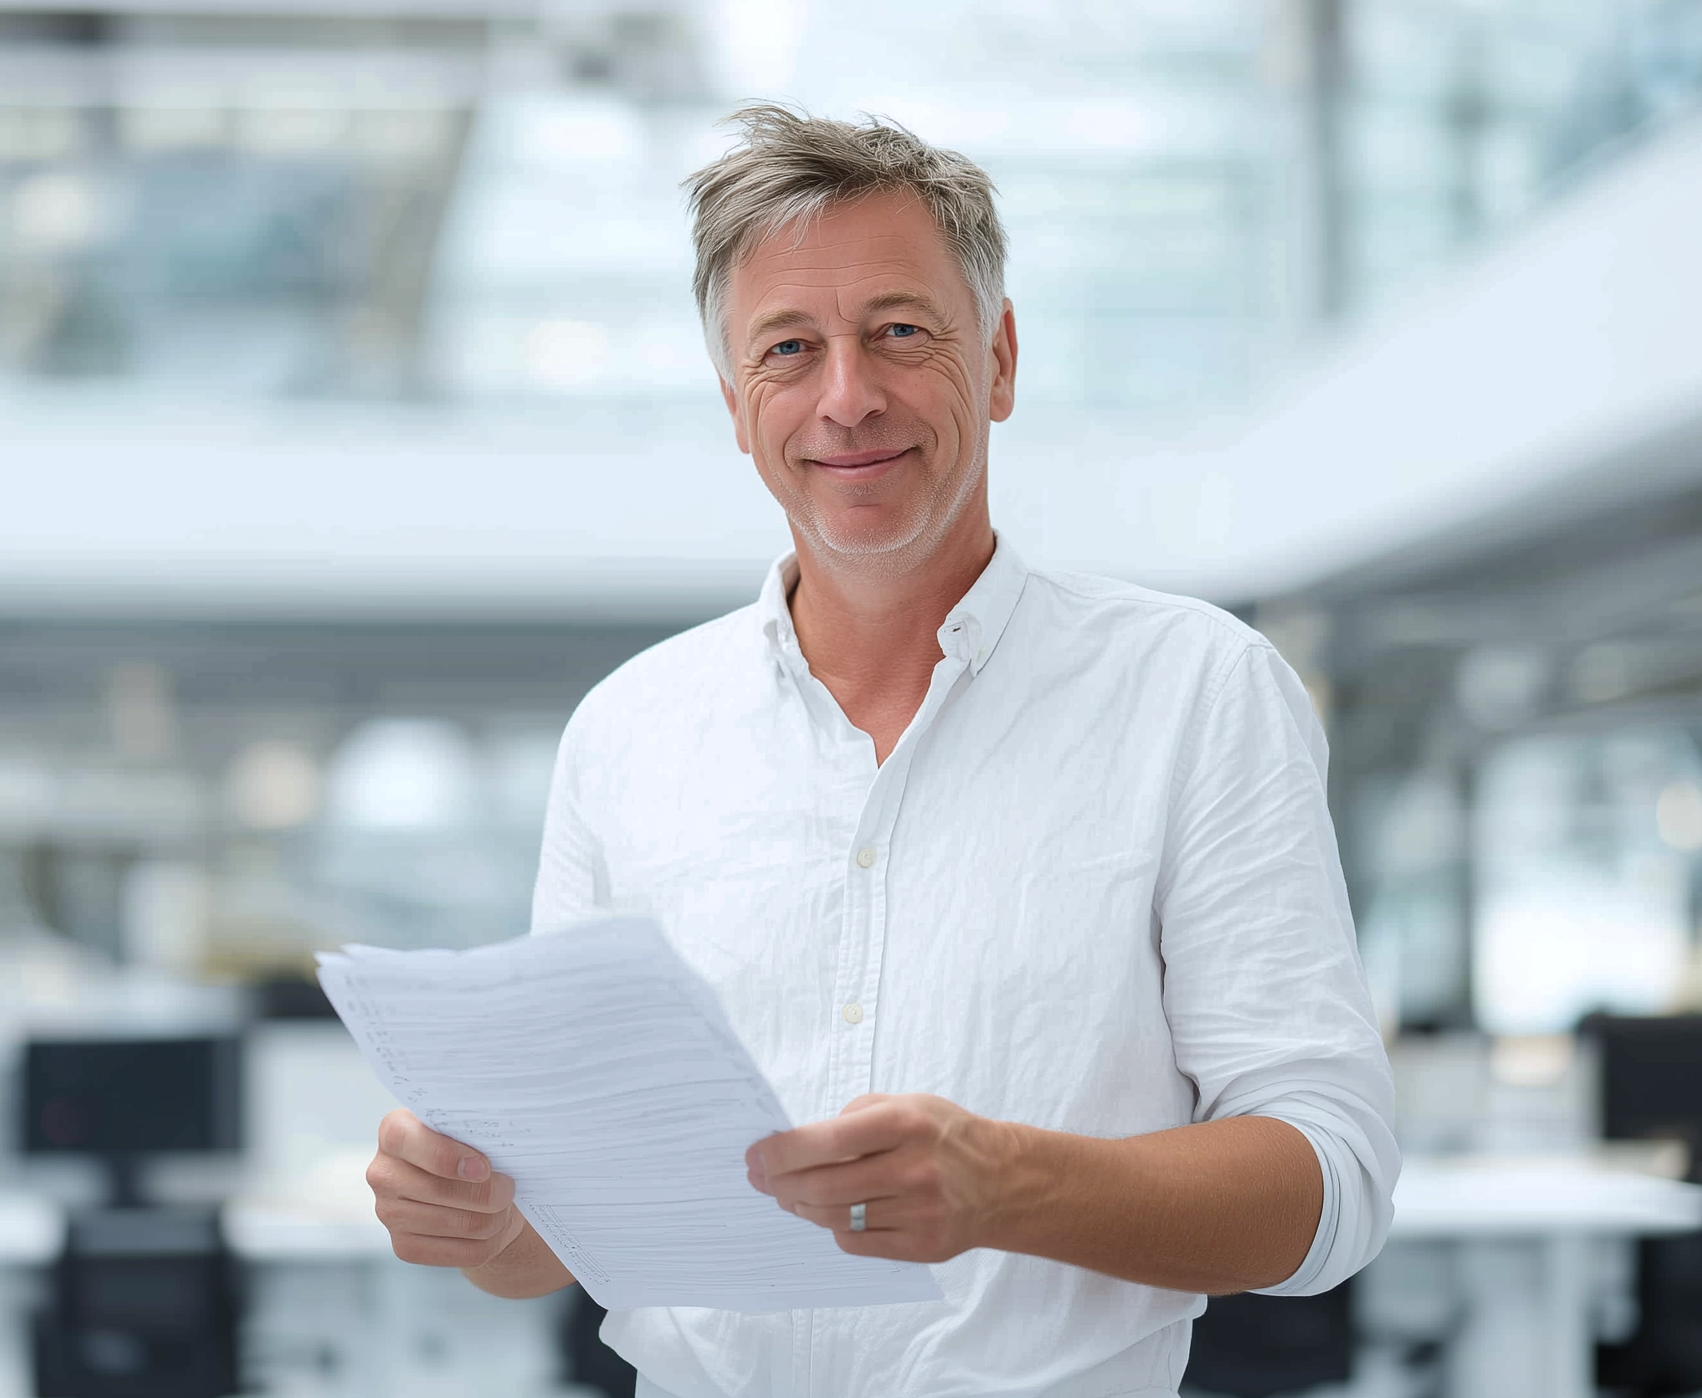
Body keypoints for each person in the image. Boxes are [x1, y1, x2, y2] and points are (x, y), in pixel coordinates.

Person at [363, 105, 1397, 1397]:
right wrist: (479, 1216)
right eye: (790, 349)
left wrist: (1006, 1183)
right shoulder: (626, 732)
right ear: (740, 408)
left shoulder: (1196, 689)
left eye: (900, 333)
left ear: (1001, 357)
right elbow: (561, 1235)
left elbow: (1333, 1180)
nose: (847, 397)